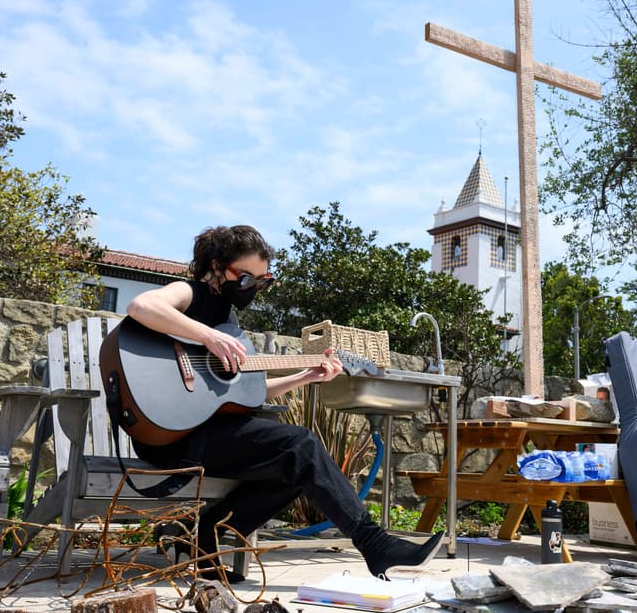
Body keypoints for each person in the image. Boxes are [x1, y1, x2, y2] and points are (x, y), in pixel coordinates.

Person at [126, 224, 443, 581]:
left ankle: (202, 538)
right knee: (301, 446)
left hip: (209, 435)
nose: (253, 289)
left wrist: (305, 376)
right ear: (217, 267)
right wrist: (209, 337)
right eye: (245, 278)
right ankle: (375, 545)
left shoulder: (229, 320)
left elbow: (249, 391)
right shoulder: (191, 294)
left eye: (263, 281)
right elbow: (141, 305)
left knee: (298, 465)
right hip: (173, 435)